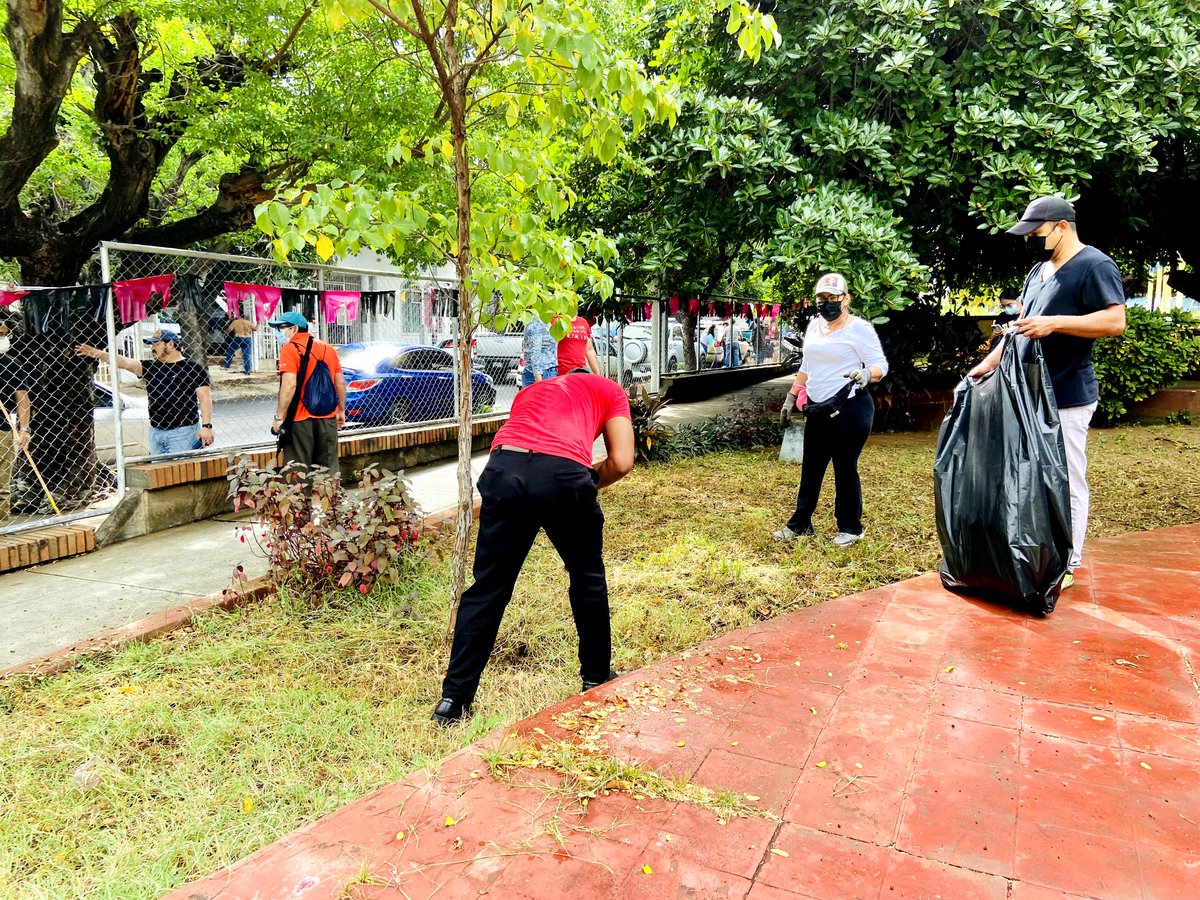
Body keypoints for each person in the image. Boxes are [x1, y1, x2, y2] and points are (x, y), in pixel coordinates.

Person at [433, 370, 635, 725]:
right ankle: (596, 678)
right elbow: (622, 461)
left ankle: (453, 701)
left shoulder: (533, 390)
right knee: (587, 579)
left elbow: (526, 441)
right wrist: (587, 481)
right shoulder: (609, 390)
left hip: (502, 470)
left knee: (488, 588)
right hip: (561, 474)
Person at [967, 196, 1126, 588]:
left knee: (1067, 477)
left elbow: (1115, 320)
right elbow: (1021, 322)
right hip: (1028, 392)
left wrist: (1055, 323)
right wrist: (991, 361)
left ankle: (1067, 562)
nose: (1032, 241)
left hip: (1068, 395)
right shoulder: (1039, 270)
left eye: (1036, 233)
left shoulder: (1095, 265)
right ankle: (1037, 550)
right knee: (1028, 476)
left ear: (1061, 227)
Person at [774, 273, 888, 547]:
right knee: (811, 467)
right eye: (821, 299)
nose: (827, 304)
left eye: (833, 298)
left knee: (844, 466)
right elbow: (807, 366)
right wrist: (791, 397)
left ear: (846, 299)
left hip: (850, 407)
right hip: (817, 408)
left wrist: (864, 373)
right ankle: (800, 523)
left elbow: (880, 365)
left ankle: (850, 527)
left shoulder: (859, 329)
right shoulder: (814, 326)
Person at [76, 330, 213, 456]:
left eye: (157, 344)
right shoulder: (151, 367)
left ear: (171, 344)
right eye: (151, 344)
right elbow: (124, 362)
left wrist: (206, 426)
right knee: (159, 473)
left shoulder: (192, 368)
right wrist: (98, 353)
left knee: (181, 472)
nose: (152, 348)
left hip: (183, 431)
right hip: (156, 431)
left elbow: (205, 398)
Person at [268, 310, 346, 476]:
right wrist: (341, 409)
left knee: (298, 470)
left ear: (294, 329)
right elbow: (339, 382)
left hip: (300, 419)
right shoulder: (328, 349)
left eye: (282, 328)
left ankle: (303, 501)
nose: (280, 332)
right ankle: (331, 499)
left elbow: (289, 386)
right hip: (327, 417)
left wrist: (279, 417)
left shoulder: (290, 349)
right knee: (329, 467)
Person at [0, 324, 31, 517]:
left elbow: (22, 399)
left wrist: (24, 429)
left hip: (2, 429)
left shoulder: (12, 364)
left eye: (5, 334)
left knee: (2, 486)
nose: (3, 338)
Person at [521, 316, 558, 388]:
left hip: (549, 370)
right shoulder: (535, 322)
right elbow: (535, 352)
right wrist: (539, 380)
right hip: (540, 374)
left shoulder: (550, 320)